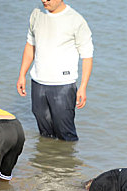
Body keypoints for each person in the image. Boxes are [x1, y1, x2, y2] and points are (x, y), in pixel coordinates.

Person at [16, 0, 93, 141]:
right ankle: (46, 161)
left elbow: (87, 56)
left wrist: (82, 87)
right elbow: (30, 45)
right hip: (38, 83)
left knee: (66, 135)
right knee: (45, 134)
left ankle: (68, 161)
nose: (44, 0)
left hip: (63, 86)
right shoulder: (36, 13)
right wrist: (22, 74)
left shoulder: (76, 20)